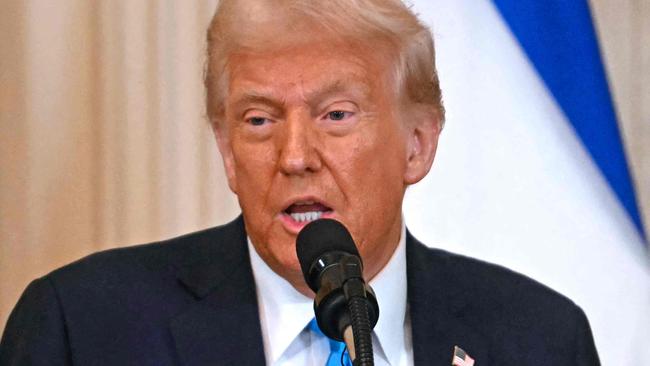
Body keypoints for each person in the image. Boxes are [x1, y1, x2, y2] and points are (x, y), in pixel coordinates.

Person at [0, 0, 600, 365]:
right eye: (259, 120)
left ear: (418, 145)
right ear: (228, 153)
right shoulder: (84, 329)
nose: (294, 157)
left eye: (336, 115)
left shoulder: (540, 340)